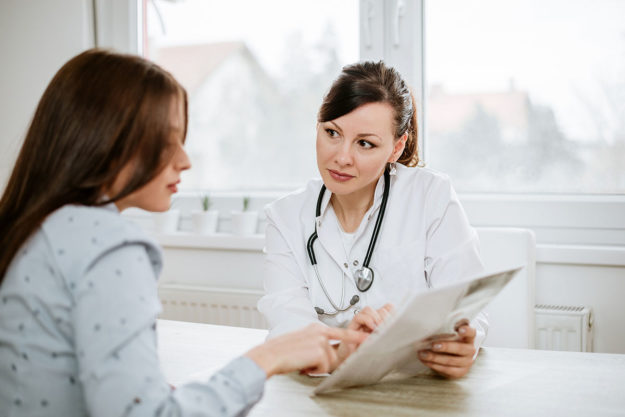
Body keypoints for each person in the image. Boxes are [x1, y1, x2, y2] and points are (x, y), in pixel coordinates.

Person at [0, 49, 367, 417]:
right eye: (166, 140)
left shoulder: (36, 227)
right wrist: (267, 358)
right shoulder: (107, 244)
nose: (184, 160)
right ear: (103, 141)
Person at [258, 61, 487, 379]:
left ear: (396, 147)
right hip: (321, 394)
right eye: (332, 133)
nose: (342, 157)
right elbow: (288, 326)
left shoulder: (430, 197)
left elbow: (468, 304)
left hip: (419, 390)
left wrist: (463, 344)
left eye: (365, 143)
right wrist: (341, 353)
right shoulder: (284, 218)